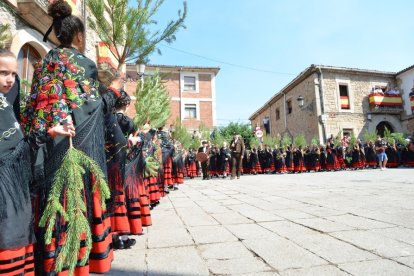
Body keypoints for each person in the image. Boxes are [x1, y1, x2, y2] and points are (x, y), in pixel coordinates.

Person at [21, 1, 122, 273]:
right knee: (79, 199)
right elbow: (91, 109)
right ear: (79, 36)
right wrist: (112, 93)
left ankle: (52, 261)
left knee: (53, 201)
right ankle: (79, 263)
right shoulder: (85, 65)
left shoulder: (43, 64)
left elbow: (35, 107)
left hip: (49, 145)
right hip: (78, 146)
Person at [0, 49, 35, 276]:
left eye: (13, 73)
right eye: (3, 72)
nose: (10, 79)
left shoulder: (7, 100)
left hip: (15, 182)